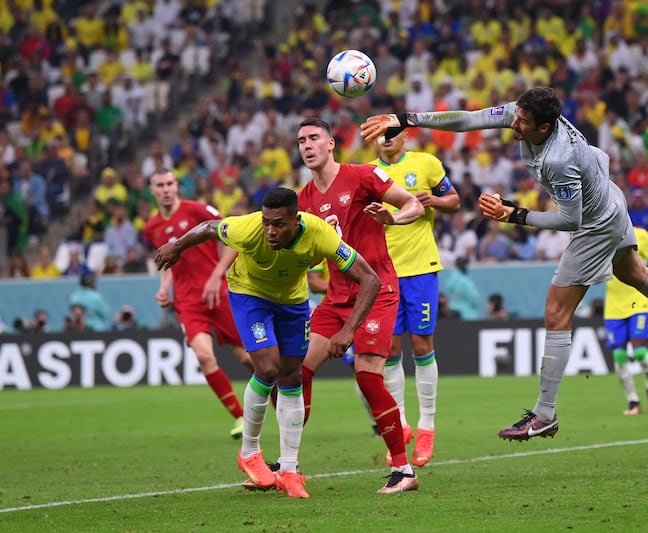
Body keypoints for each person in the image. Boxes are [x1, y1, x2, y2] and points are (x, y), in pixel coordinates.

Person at [361, 87, 648, 442]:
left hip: (594, 224)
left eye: (523, 121)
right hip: (610, 198)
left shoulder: (558, 159)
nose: (514, 123)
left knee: (556, 312)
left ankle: (544, 414)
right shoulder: (528, 117)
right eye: (516, 115)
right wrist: (406, 119)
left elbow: (570, 221)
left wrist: (514, 214)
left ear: (544, 128)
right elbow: (470, 120)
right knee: (634, 273)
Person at [154, 187, 381, 498]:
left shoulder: (319, 233)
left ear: (296, 220)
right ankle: (250, 452)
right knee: (269, 367)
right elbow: (209, 228)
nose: (270, 231)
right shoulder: (248, 228)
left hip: (293, 302)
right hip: (250, 295)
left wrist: (349, 330)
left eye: (278, 224)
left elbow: (370, 278)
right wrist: (177, 246)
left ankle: (289, 471)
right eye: (267, 222)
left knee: (292, 376)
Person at [296, 117, 426, 494]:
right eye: (302, 140)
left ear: (331, 143)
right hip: (335, 297)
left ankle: (404, 470)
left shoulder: (363, 175)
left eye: (314, 138)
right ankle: (288, 462)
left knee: (368, 376)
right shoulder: (304, 199)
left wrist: (393, 218)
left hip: (378, 291)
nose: (307, 145)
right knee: (296, 373)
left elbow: (414, 205)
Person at [369, 129, 461, 468]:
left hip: (421, 268)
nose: (387, 139)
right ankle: (403, 423)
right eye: (381, 135)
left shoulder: (427, 164)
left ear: (405, 136)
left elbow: (454, 201)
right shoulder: (370, 175)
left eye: (393, 133)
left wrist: (434, 201)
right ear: (373, 141)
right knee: (390, 350)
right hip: (384, 273)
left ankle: (427, 428)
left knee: (422, 346)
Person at [142, 169, 253, 439]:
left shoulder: (198, 210)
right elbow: (169, 260)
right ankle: (241, 417)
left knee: (249, 358)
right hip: (188, 300)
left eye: (170, 183)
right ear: (152, 190)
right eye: (160, 185)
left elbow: (232, 239)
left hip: (218, 292)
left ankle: (279, 402)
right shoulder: (151, 227)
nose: (166, 189)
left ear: (177, 186)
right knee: (204, 357)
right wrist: (164, 287)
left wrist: (217, 275)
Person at [604, 227, 648, 416]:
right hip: (613, 307)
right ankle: (633, 401)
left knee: (639, 351)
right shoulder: (600, 232)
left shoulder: (642, 235)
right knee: (620, 357)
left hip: (638, 301)